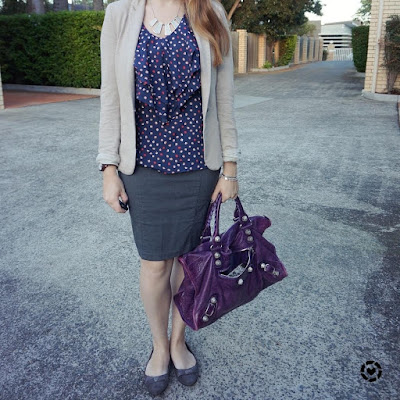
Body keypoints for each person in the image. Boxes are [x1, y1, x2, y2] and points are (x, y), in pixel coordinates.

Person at [96, 0, 239, 395]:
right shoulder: (119, 13)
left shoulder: (210, 10)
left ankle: (179, 342)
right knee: (155, 264)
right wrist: (108, 168)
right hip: (142, 168)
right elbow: (110, 95)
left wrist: (230, 168)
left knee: (188, 262)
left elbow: (224, 98)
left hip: (198, 165)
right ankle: (159, 345)